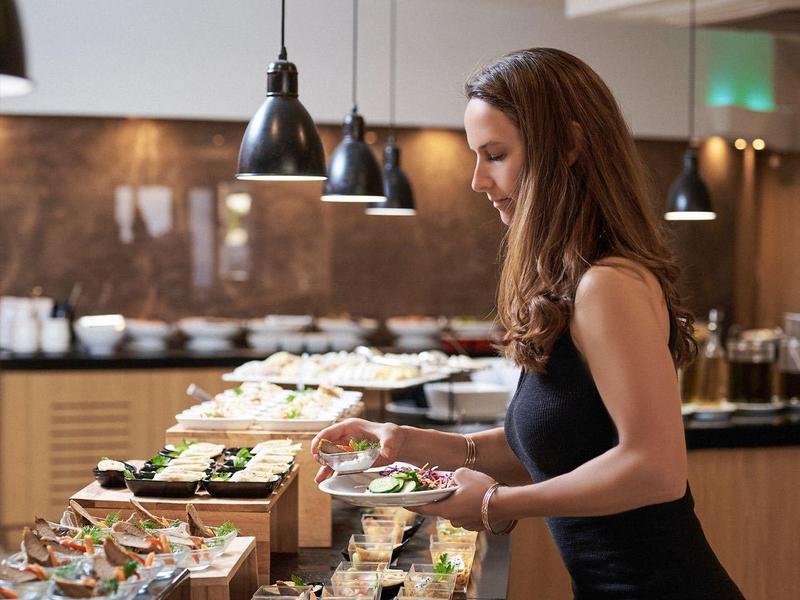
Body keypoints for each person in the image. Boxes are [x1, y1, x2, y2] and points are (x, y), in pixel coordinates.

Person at [312, 48, 744, 599]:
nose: (477, 180)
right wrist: (405, 443)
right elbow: (552, 447)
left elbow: (655, 470)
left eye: (495, 155)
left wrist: (496, 504)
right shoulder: (574, 280)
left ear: (568, 146)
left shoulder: (607, 285)